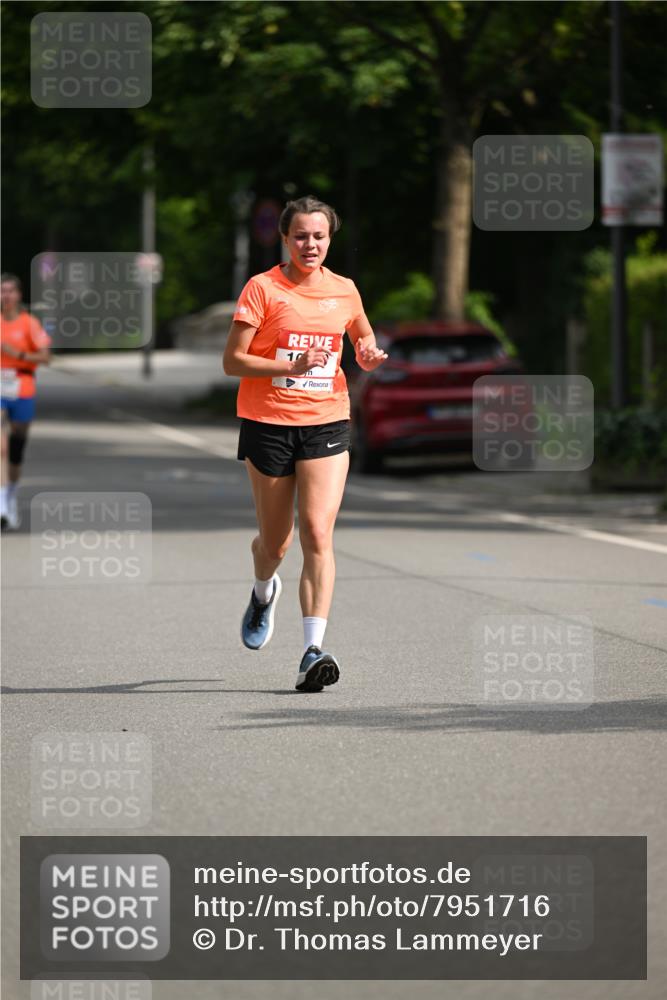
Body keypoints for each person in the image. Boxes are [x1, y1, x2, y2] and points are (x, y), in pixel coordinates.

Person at [223, 195, 387, 692]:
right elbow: (233, 361)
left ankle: (312, 649)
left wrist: (368, 352)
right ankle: (262, 589)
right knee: (276, 542)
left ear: (329, 238)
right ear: (285, 238)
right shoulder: (263, 288)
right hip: (268, 422)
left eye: (318, 236)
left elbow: (361, 338)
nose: (309, 244)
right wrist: (285, 368)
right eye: (300, 236)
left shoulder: (345, 290)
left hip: (327, 421)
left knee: (317, 532)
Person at [0, 273, 52, 530]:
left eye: (10, 291)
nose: (6, 296)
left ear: (18, 295)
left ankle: (11, 495)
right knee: (0, 447)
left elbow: (46, 358)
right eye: (1, 291)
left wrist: (16, 353)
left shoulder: (29, 323)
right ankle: (1, 505)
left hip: (22, 386)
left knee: (16, 450)